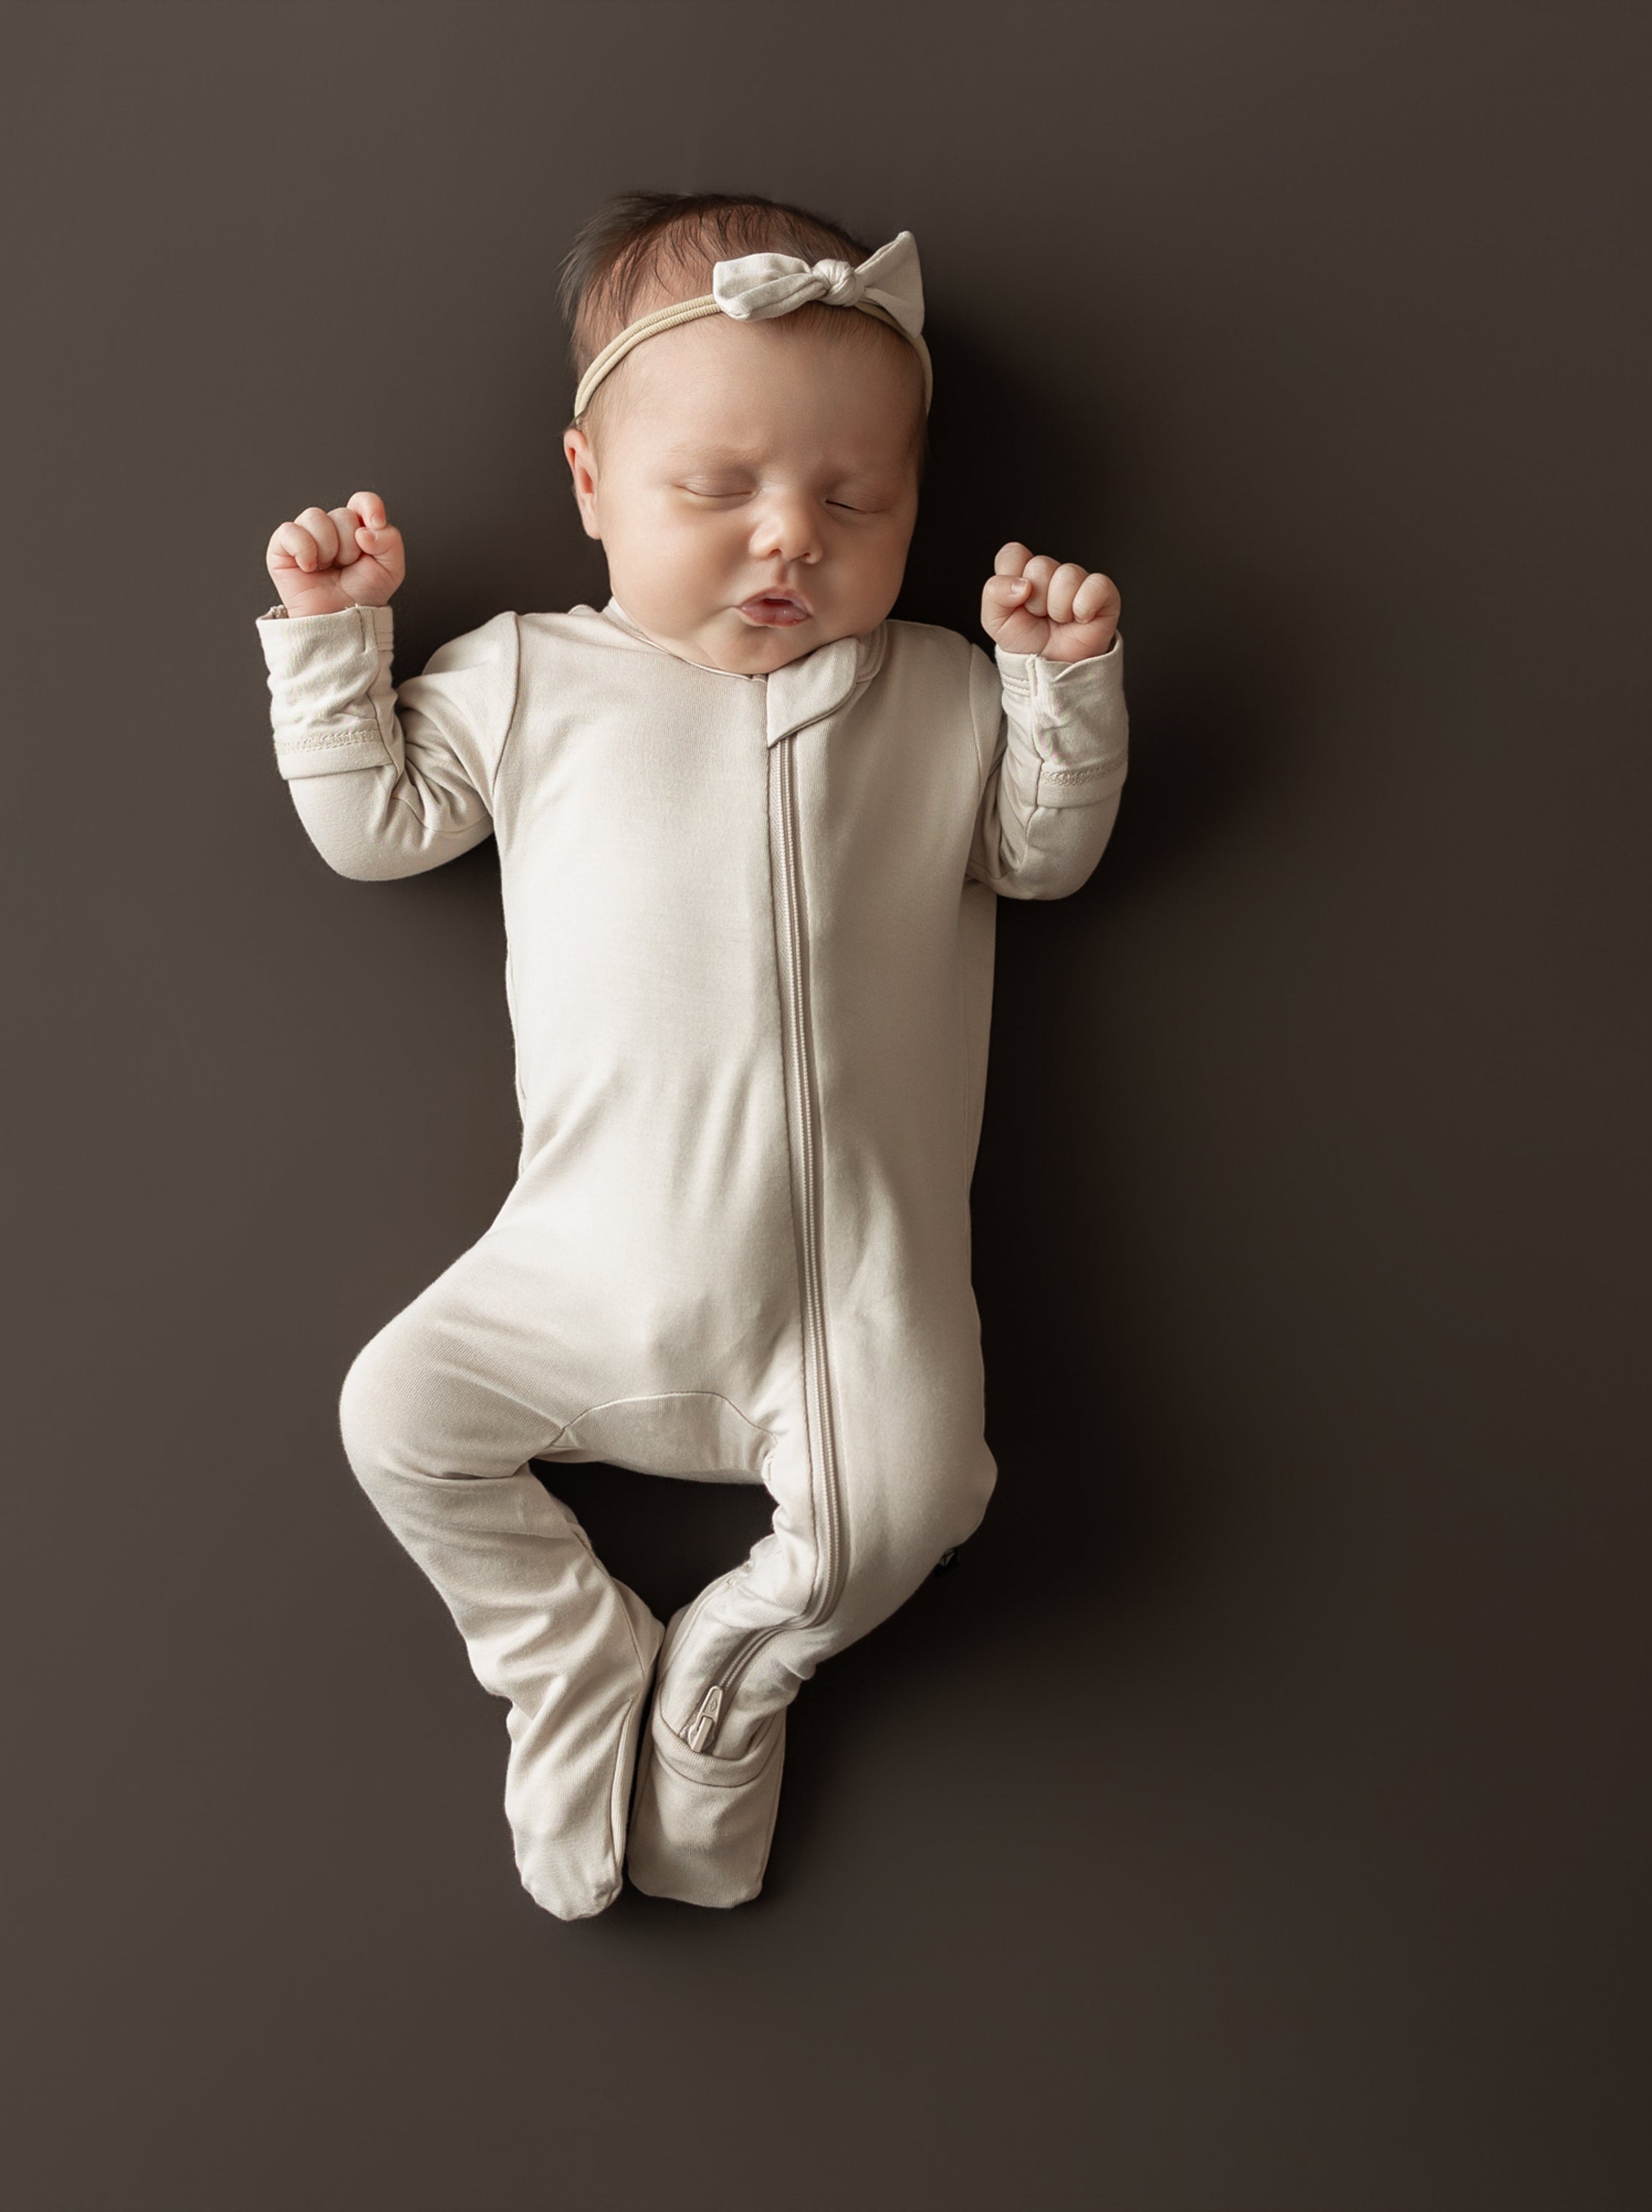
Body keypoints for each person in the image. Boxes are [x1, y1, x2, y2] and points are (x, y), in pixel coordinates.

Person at [254, 191, 1127, 1919]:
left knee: (913, 1506)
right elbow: (375, 825)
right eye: (718, 491)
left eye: (855, 501)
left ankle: (725, 1685)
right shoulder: (530, 680)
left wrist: (1060, 688)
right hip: (582, 1270)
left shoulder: (939, 692)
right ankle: (567, 1654)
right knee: (397, 1415)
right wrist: (335, 643)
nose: (788, 538)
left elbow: (1040, 854)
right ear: (591, 485)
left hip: (854, 1308)